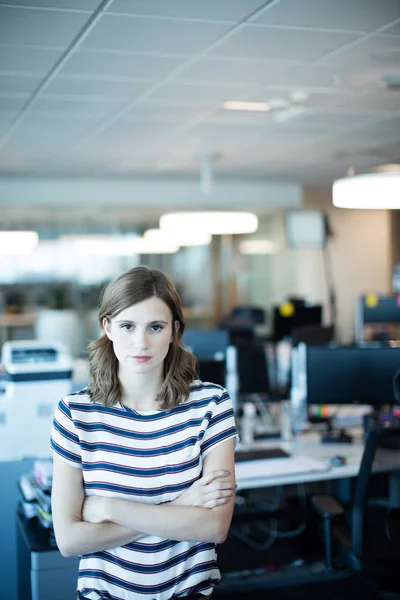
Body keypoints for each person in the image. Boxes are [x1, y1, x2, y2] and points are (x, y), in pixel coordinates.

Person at [50, 266, 239, 600]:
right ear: (107, 327)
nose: (141, 342)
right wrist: (181, 504)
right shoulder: (76, 413)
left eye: (155, 326)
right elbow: (69, 541)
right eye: (127, 326)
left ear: (174, 330)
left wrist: (109, 508)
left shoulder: (210, 404)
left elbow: (214, 527)